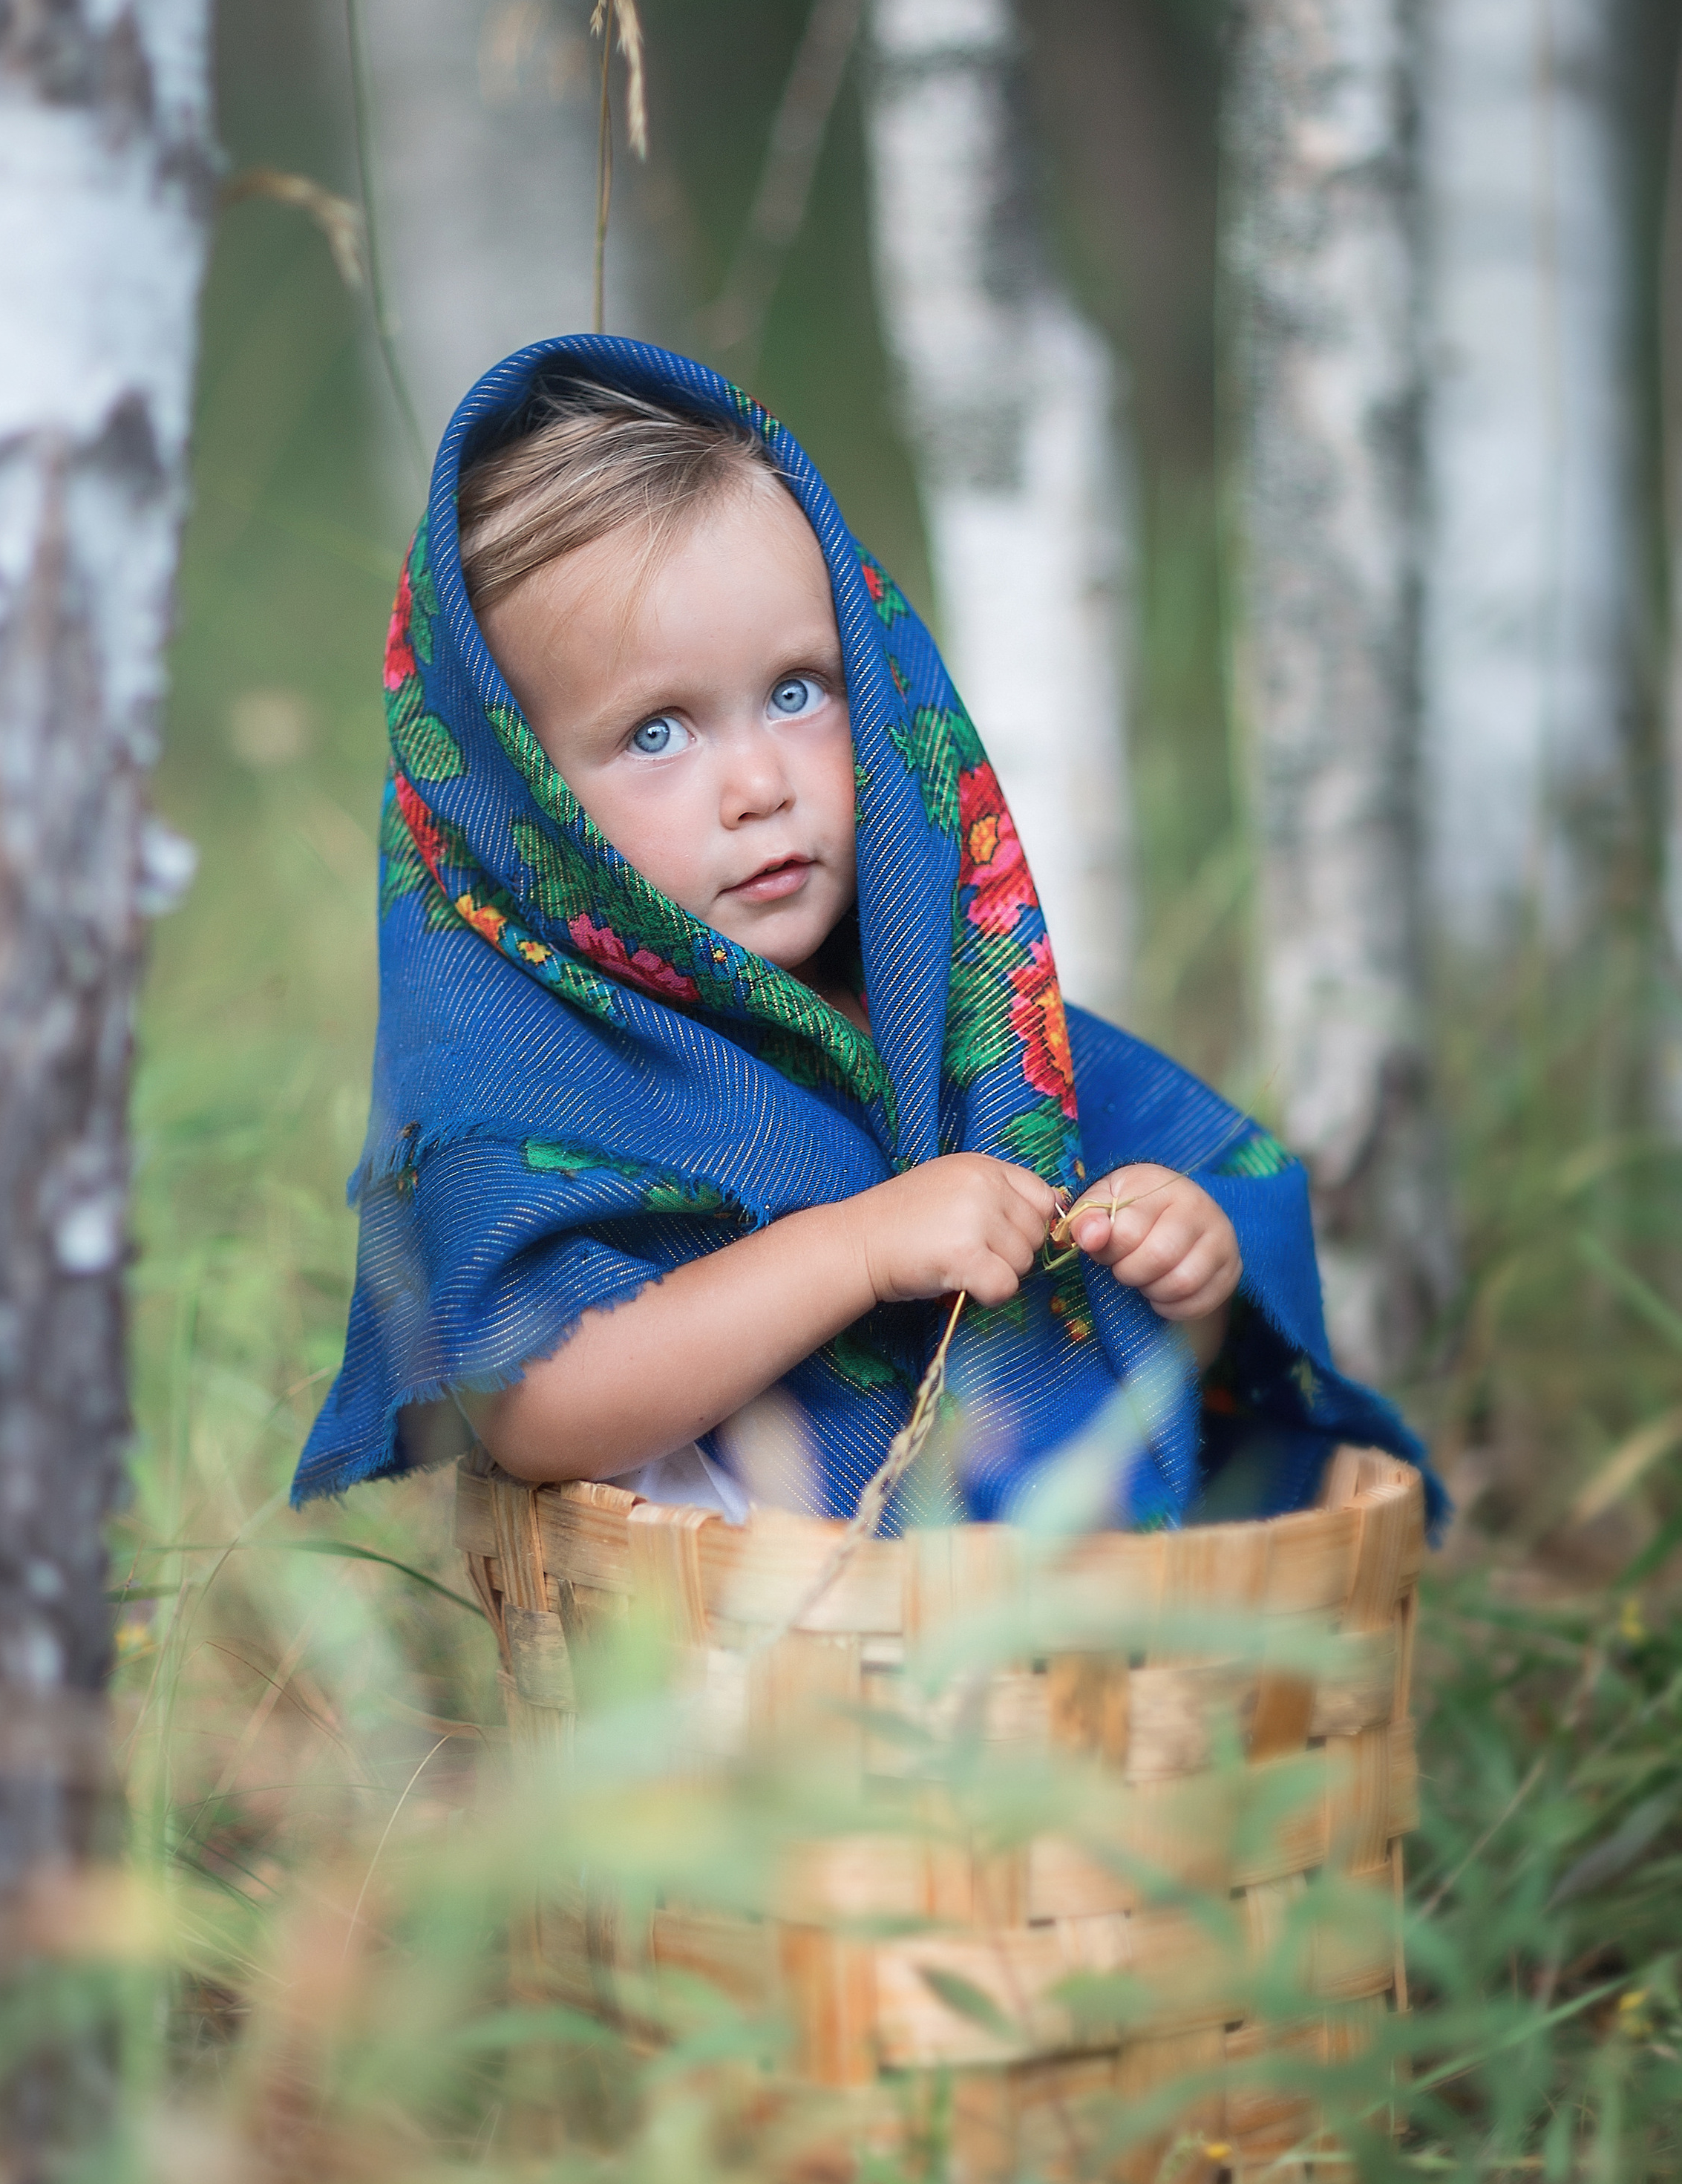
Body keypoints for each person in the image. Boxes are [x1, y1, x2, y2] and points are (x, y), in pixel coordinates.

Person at [295, 336, 1435, 1535]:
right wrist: (861, 1246)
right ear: (520, 797)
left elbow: (1117, 1399)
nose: (759, 784)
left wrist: (1178, 1272)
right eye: (656, 734)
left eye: (797, 691)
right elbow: (535, 1409)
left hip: (1057, 1652)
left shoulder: (961, 1027)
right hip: (760, 1672)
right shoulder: (534, 1075)